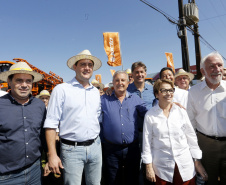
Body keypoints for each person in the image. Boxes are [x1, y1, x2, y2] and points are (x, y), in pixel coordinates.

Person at [44, 49, 102, 185]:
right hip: (72, 150)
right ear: (75, 67)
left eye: (90, 65)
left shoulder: (95, 92)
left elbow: (96, 117)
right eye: (83, 64)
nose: (87, 68)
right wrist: (52, 154)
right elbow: (51, 123)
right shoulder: (62, 89)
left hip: (95, 146)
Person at [142, 79, 207, 185]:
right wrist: (148, 167)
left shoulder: (181, 111)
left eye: (171, 90)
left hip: (185, 166)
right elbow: (146, 143)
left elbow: (191, 137)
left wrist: (197, 162)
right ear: (156, 94)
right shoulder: (150, 115)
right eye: (164, 90)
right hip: (162, 168)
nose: (168, 93)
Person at [0, 62, 46, 185]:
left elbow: (43, 135)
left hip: (35, 170)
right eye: (19, 80)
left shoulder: (39, 105)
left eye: (28, 81)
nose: (24, 85)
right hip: (6, 177)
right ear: (9, 82)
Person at [101, 70, 148, 185]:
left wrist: (166, 105)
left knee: (132, 179)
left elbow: (150, 113)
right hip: (110, 150)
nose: (120, 83)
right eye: (117, 80)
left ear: (128, 83)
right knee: (112, 179)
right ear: (112, 83)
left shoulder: (135, 99)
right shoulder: (103, 100)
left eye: (123, 80)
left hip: (132, 149)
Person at [187, 51, 226, 185]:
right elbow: (190, 124)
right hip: (206, 146)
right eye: (212, 66)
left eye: (219, 65)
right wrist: (195, 157)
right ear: (203, 71)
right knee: (210, 181)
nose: (217, 69)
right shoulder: (193, 92)